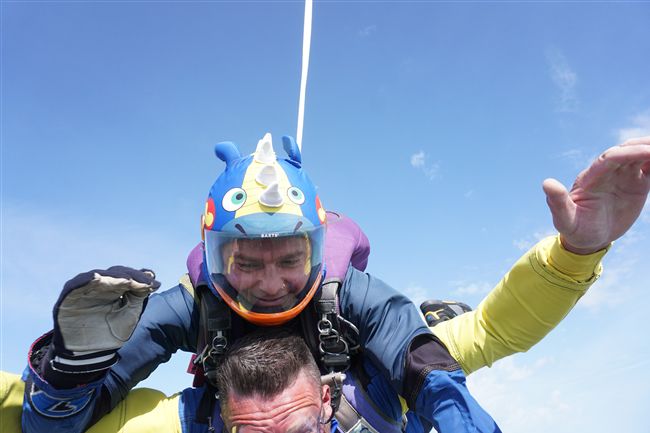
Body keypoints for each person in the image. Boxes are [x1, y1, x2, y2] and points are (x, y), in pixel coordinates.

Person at [19, 134, 650, 432]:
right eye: (247, 263)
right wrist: (71, 371)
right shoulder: (193, 316)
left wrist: (579, 250)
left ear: (328, 400)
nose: (271, 283)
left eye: (289, 258)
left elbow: (487, 332)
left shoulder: (362, 343)